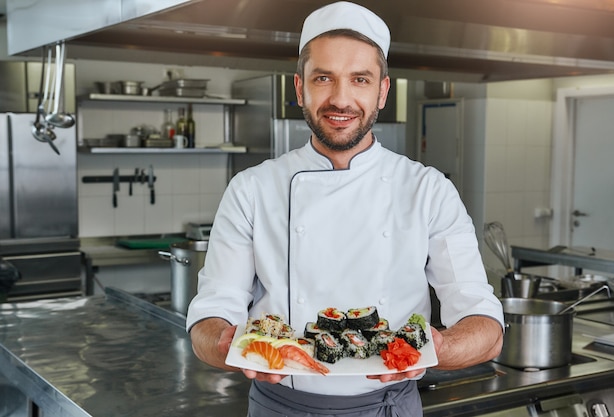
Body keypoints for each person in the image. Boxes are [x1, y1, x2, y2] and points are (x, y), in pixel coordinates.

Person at [186, 2, 504, 416]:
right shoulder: (252, 189)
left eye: (360, 79)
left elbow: (485, 326)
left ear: (382, 92)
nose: (341, 99)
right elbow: (210, 316)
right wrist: (229, 345)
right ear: (299, 88)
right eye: (323, 78)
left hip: (389, 406)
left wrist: (440, 348)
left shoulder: (428, 190)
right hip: (281, 408)